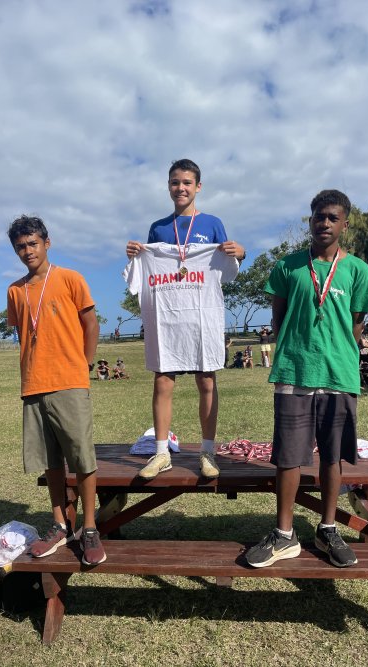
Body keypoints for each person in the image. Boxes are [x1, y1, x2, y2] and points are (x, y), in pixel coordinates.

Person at [245, 190, 368, 569]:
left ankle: (327, 529)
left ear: (344, 224)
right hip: (294, 371)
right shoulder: (287, 267)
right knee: (288, 457)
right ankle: (284, 534)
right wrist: (298, 346)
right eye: (319, 216)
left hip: (339, 375)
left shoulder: (358, 270)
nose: (325, 223)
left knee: (332, 456)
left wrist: (336, 349)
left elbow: (356, 325)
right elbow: (279, 317)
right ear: (311, 220)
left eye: (333, 217)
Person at [125, 159, 245, 481]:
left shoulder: (213, 223)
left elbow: (229, 266)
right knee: (162, 381)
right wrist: (137, 254)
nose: (181, 188)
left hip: (202, 317)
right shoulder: (158, 228)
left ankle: (207, 451)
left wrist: (241, 252)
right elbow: (149, 266)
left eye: (187, 182)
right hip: (168, 319)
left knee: (207, 381)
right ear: (168, 186)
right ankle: (161, 452)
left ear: (198, 187)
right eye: (175, 182)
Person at [6, 215, 105, 566]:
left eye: (33, 243)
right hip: (34, 385)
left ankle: (89, 528)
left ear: (47, 243)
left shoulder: (70, 278)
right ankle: (61, 524)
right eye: (20, 246)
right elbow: (24, 332)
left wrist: (85, 364)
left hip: (70, 382)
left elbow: (90, 323)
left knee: (82, 458)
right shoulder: (15, 290)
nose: (27, 251)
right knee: (49, 462)